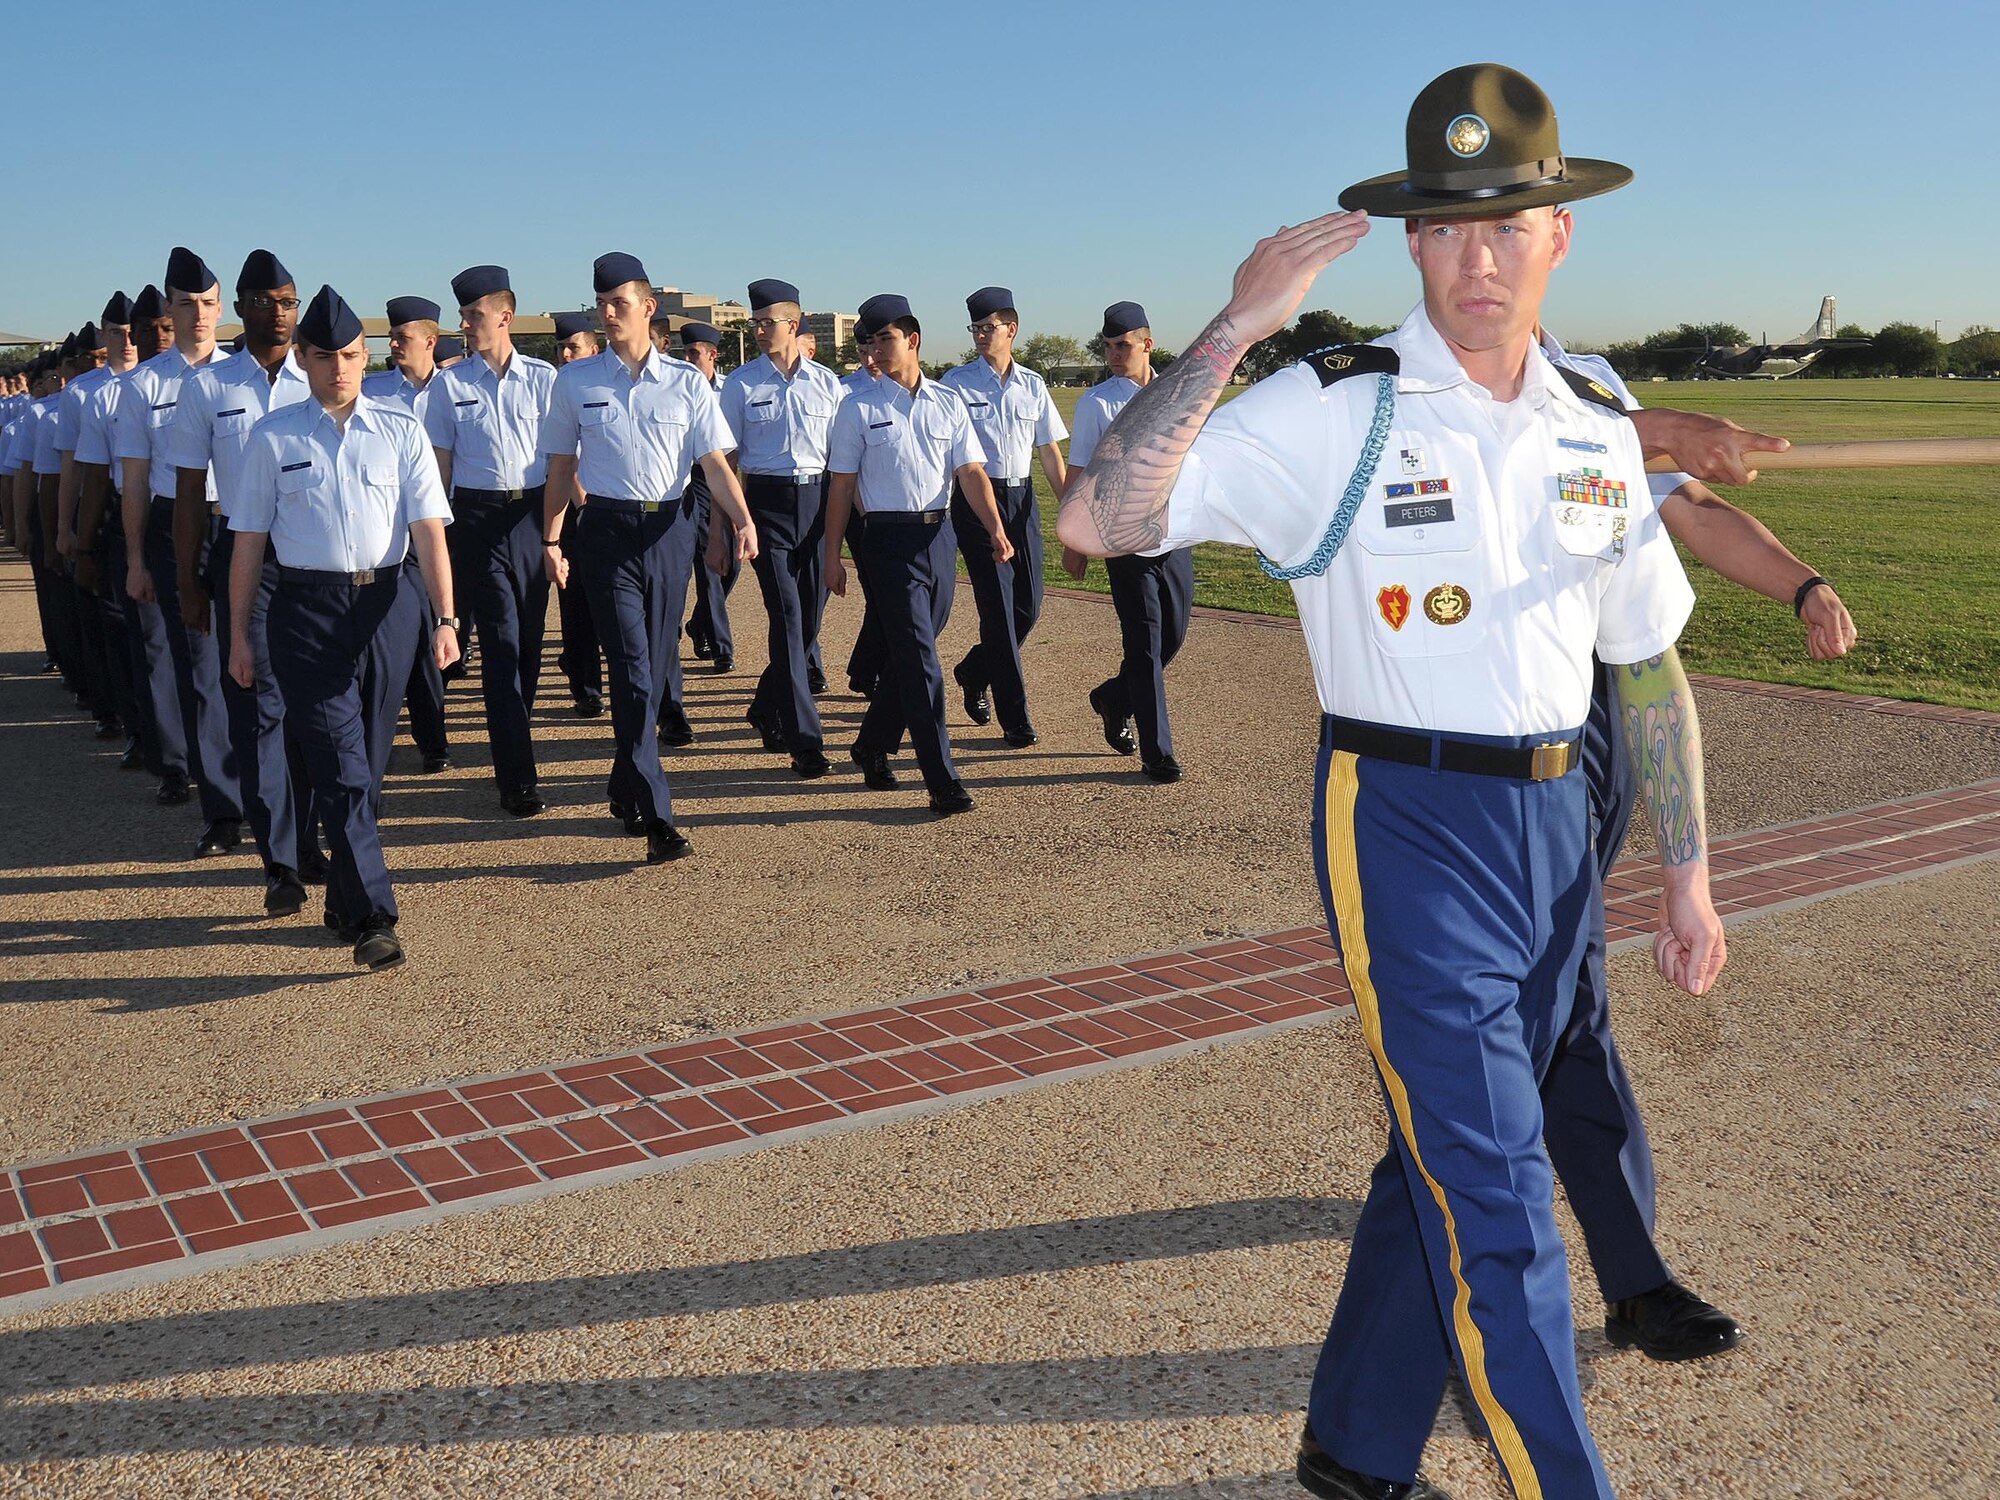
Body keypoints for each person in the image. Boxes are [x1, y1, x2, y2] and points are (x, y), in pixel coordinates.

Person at [1060, 64, 1730, 1500]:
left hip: (1564, 826)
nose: (1477, 257)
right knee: (1497, 1207)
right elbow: (1096, 517)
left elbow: (1650, 661)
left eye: (1508, 224)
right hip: (1409, 830)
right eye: (1445, 228)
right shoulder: (1334, 408)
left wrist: (1685, 869)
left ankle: (1353, 1452)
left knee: (1433, 1154)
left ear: (1562, 234)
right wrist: (1238, 325)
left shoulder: (1596, 416)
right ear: (1410, 242)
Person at [228, 285, 458, 970]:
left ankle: (341, 900)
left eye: (353, 355)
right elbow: (246, 546)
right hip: (306, 611)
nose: (340, 368)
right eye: (326, 356)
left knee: (367, 766)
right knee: (344, 765)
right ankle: (375, 918)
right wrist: (240, 635)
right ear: (302, 358)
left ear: (368, 356)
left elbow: (430, 532)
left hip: (388, 607)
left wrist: (445, 618)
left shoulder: (400, 429)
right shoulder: (273, 437)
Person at [538, 252, 757, 863]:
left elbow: (714, 462)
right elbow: (560, 468)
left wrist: (740, 520)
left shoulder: (688, 382)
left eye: (620, 304)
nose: (608, 314)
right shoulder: (577, 382)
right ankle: (659, 813)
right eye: (602, 304)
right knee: (633, 668)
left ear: (647, 308)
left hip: (669, 533)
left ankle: (622, 782)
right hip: (605, 533)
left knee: (654, 670)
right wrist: (552, 541)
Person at [171, 251, 323, 913]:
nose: (282, 313)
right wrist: (187, 582)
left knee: (313, 711)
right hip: (242, 559)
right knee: (257, 709)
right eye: (268, 302)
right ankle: (281, 863)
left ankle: (311, 840)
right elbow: (183, 495)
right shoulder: (209, 387)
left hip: (314, 559)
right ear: (242, 307)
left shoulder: (317, 378)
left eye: (290, 301)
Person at [823, 294, 1012, 815]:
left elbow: (971, 472)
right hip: (886, 541)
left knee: (915, 654)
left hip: (939, 538)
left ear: (912, 340)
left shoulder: (947, 402)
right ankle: (941, 778)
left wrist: (995, 527)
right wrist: (831, 554)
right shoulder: (857, 407)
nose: (876, 349)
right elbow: (841, 488)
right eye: (870, 339)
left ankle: (871, 744)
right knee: (921, 660)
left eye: (886, 338)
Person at [116, 246, 246, 849]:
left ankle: (265, 784)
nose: (198, 314)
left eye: (208, 303)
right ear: (169, 307)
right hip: (177, 528)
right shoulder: (143, 385)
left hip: (246, 525)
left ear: (222, 309)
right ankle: (222, 809)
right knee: (198, 667)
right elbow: (137, 480)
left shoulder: (247, 375)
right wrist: (138, 558)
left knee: (254, 661)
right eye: (187, 304)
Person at [425, 264, 556, 817]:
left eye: (474, 314)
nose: (465, 323)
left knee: (526, 645)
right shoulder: (449, 386)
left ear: (505, 317)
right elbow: (439, 467)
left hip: (532, 518)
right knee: (501, 644)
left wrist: (558, 535)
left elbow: (562, 461)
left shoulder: (547, 381)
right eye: (462, 315)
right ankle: (516, 775)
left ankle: (513, 734)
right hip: (477, 521)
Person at [1063, 301, 1194, 783]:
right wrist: (1074, 539)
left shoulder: (1178, 394)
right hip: (1123, 541)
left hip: (1175, 536)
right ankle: (1157, 751)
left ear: (1147, 343)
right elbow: (1080, 471)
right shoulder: (1097, 403)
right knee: (1143, 646)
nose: (1115, 353)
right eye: (1108, 346)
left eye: (1124, 344)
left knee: (1171, 640)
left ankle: (1112, 699)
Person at [720, 279, 846, 777]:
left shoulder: (827, 383)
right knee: (789, 618)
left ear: (793, 325)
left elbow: (842, 460)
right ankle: (805, 741)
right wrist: (730, 524)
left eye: (766, 322)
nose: (757, 329)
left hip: (817, 503)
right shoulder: (741, 383)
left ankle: (764, 706)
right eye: (755, 322)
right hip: (765, 503)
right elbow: (725, 457)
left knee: (808, 622)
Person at [939, 286, 1068, 746]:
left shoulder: (1032, 384)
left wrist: (1070, 508)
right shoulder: (956, 384)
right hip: (977, 501)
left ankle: (974, 670)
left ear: (1011, 330)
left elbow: (1049, 452)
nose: (980, 334)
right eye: (975, 327)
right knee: (997, 610)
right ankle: (1016, 717)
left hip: (1023, 500)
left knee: (1028, 606)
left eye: (988, 327)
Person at [363, 295, 453, 776]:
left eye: (404, 337)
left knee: (442, 632)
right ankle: (423, 738)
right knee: (412, 634)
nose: (394, 343)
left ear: (430, 341)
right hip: (396, 532)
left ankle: (432, 733)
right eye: (391, 337)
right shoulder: (372, 391)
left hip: (452, 526)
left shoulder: (455, 388)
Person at [673, 320, 739, 711]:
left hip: (724, 478)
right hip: (692, 480)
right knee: (706, 563)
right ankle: (720, 645)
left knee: (729, 566)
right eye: (685, 352)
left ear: (712, 355)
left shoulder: (730, 390)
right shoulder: (678, 384)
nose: (688, 359)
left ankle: (700, 623)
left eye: (694, 353)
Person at [550, 310, 603, 716]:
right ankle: (586, 686)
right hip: (570, 510)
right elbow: (560, 460)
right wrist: (580, 499)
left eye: (574, 347)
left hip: (606, 507)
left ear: (593, 349)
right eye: (562, 348)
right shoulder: (556, 389)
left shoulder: (609, 382)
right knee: (577, 601)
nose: (567, 354)